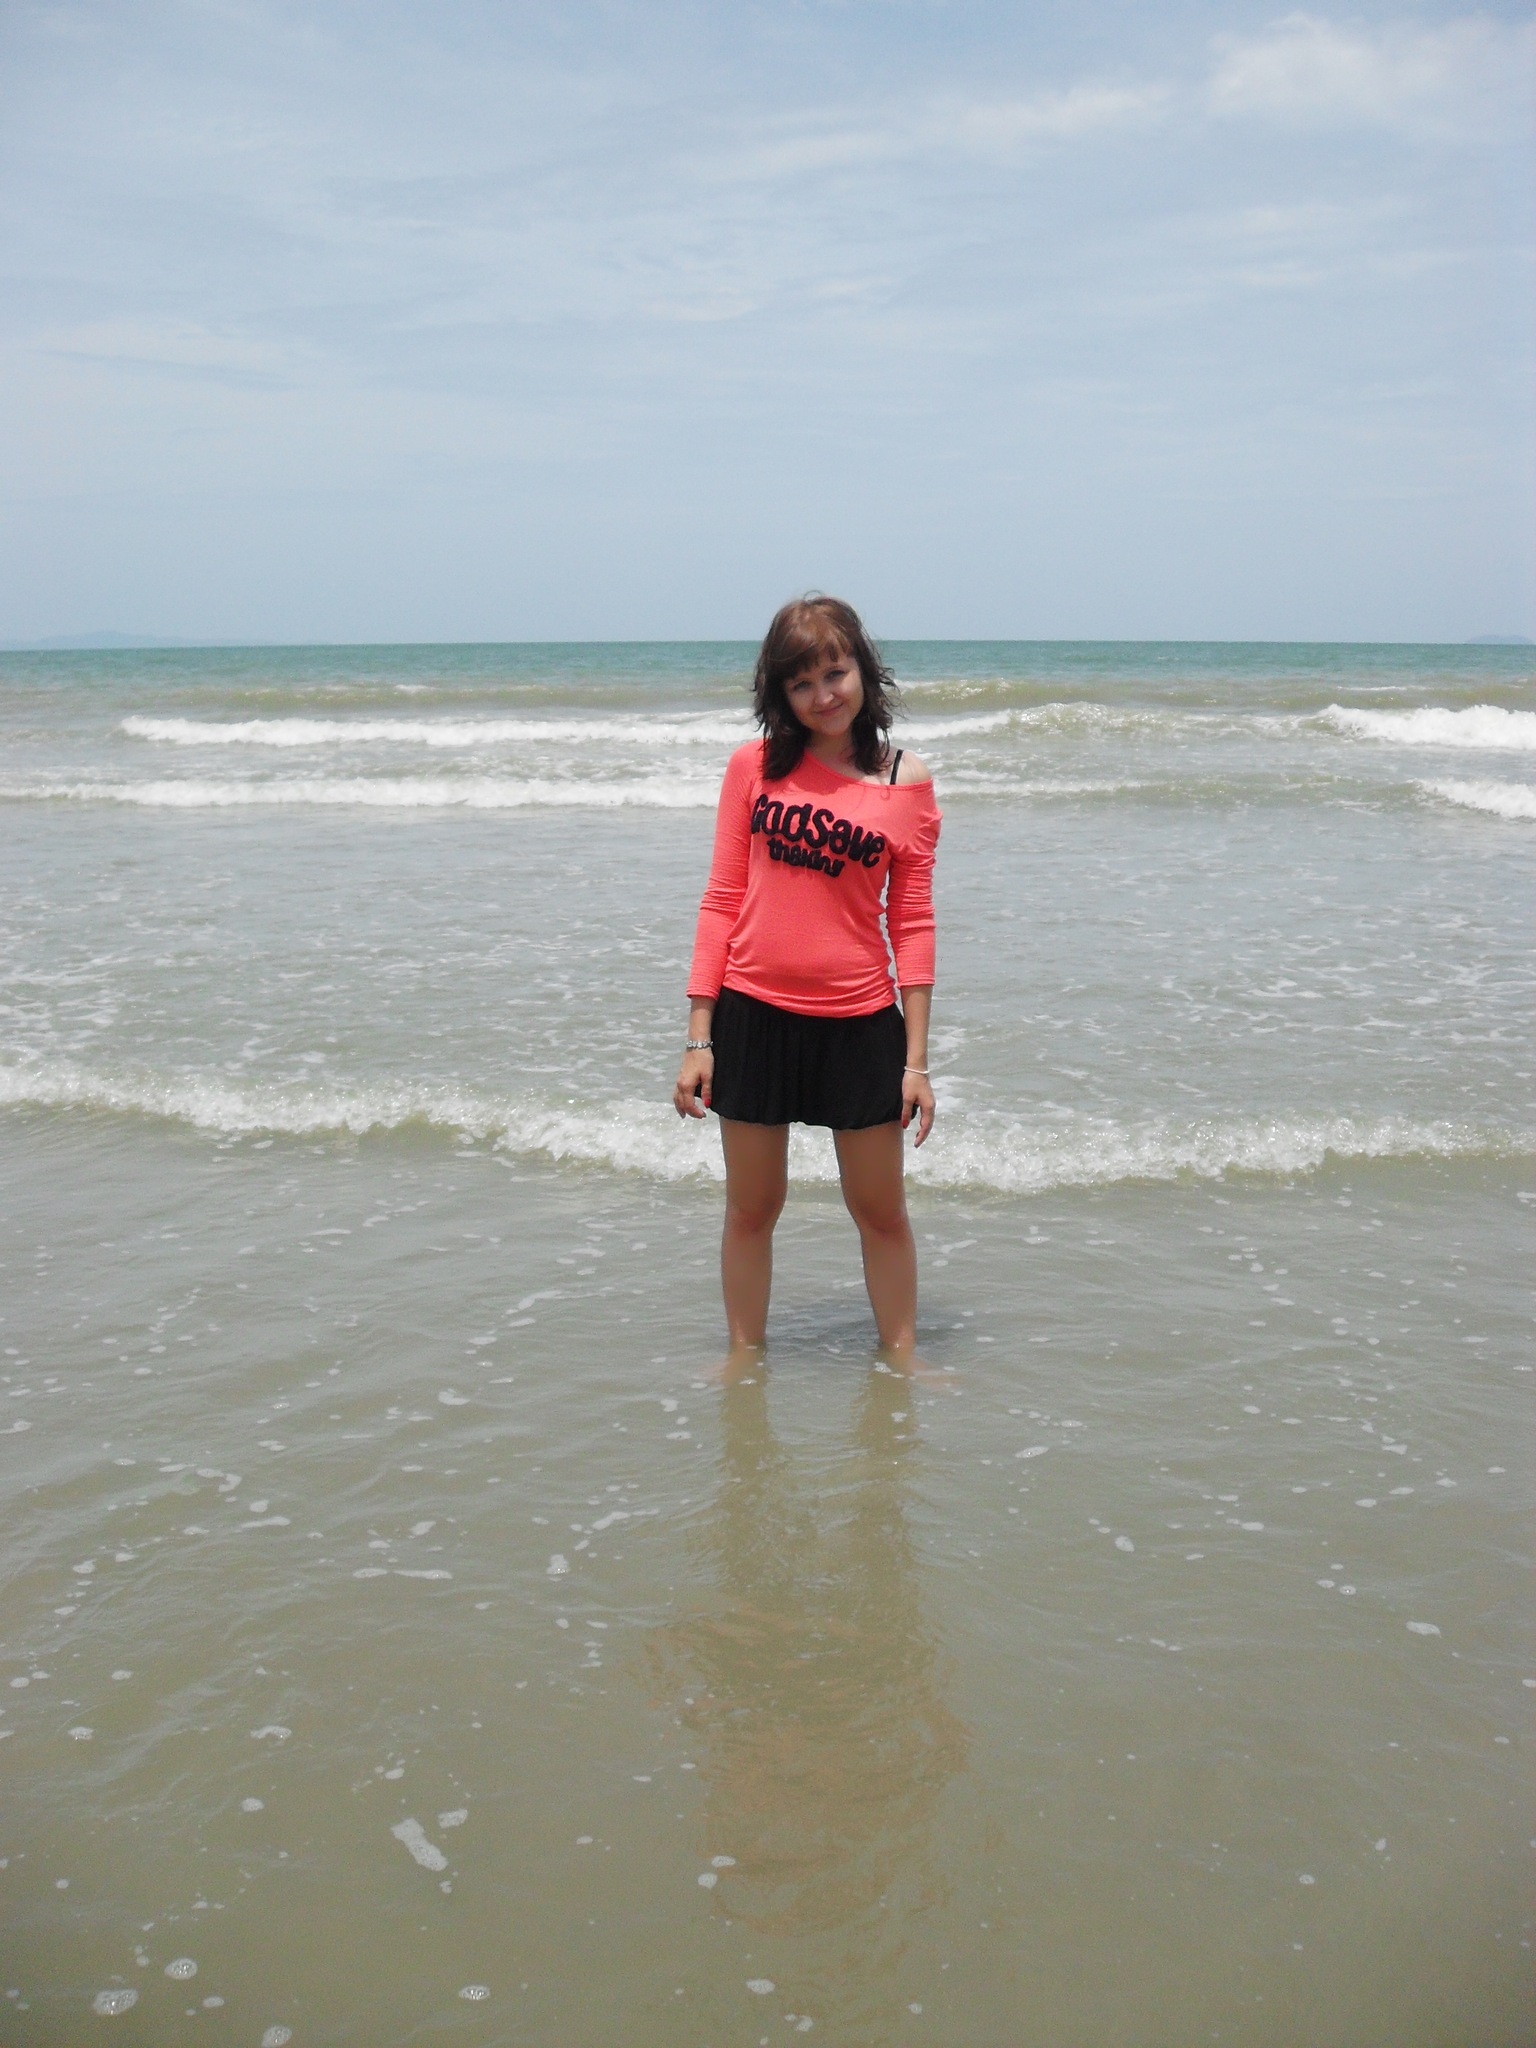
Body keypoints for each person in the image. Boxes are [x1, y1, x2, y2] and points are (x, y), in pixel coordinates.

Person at [673, 595, 941, 1361]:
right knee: (752, 1210)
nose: (823, 695)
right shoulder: (754, 769)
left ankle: (902, 1362)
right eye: (801, 683)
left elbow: (913, 923)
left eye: (835, 673)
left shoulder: (905, 782)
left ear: (863, 669)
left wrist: (916, 1063)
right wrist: (699, 1036)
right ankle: (743, 1363)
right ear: (779, 694)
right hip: (754, 1015)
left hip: (860, 1024)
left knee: (881, 1212)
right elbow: (722, 899)